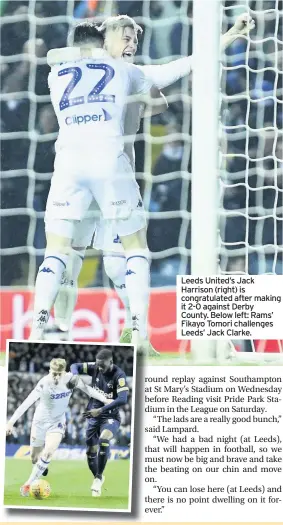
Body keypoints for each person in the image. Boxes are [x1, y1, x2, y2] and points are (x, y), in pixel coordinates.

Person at [49, 13, 255, 353]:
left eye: (135, 40)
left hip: (114, 178)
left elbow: (185, 67)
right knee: (70, 254)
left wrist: (231, 33)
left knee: (116, 264)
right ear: (104, 43)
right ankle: (57, 330)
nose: (131, 45)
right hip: (80, 177)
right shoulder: (79, 69)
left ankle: (136, 334)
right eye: (125, 38)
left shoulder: (132, 74)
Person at [29, 20, 167, 344]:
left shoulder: (55, 74)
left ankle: (37, 329)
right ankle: (139, 332)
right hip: (109, 164)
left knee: (58, 251)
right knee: (130, 250)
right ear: (103, 44)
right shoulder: (120, 70)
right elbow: (160, 96)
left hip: (69, 165)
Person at [6, 357, 110, 497]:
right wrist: (11, 422)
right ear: (50, 370)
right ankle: (42, 466)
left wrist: (105, 400)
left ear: (64, 372)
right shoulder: (44, 383)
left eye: (58, 374)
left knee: (48, 451)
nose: (55, 376)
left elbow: (88, 390)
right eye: (53, 373)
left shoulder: (70, 379)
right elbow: (27, 402)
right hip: (40, 422)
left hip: (57, 422)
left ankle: (28, 484)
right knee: (34, 458)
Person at [70, 348, 129, 497]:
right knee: (91, 453)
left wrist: (101, 410)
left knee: (104, 440)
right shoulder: (96, 367)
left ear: (111, 362)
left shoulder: (119, 375)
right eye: (98, 365)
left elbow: (122, 399)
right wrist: (75, 376)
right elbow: (74, 365)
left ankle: (98, 478)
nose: (100, 368)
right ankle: (98, 476)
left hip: (110, 416)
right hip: (92, 416)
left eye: (103, 366)